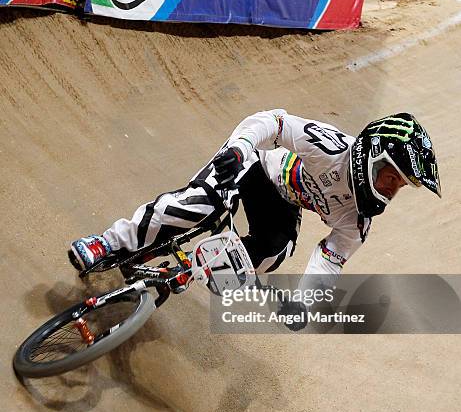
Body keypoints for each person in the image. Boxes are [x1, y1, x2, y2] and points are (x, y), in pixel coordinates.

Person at [69, 110, 441, 281]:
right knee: (201, 202)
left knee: (271, 255)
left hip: (283, 202)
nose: (392, 191)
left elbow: (331, 261)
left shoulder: (358, 221)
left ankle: (183, 272)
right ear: (372, 156)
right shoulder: (329, 146)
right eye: (392, 177)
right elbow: (274, 123)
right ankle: (108, 242)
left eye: (401, 185)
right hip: (254, 166)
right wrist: (240, 147)